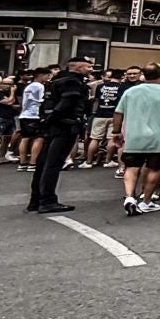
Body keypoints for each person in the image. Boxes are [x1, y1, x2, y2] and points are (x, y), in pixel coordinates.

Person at [112, 63, 160, 214]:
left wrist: (116, 132)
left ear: (143, 76)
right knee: (155, 168)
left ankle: (129, 197)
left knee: (131, 167)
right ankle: (146, 201)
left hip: (134, 136)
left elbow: (118, 113)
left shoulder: (131, 92)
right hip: (159, 138)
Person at [27, 56, 94, 213]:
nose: (90, 69)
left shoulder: (57, 80)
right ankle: (47, 201)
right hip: (64, 126)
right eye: (88, 67)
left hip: (53, 125)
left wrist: (47, 120)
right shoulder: (72, 82)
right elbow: (66, 103)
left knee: (44, 163)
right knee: (53, 164)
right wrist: (54, 118)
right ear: (78, 68)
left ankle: (36, 200)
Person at [86, 68, 126, 170]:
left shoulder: (100, 86)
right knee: (111, 139)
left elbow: (97, 98)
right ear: (122, 77)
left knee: (95, 138)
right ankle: (108, 161)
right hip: (114, 114)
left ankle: (88, 162)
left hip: (99, 114)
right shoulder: (122, 87)